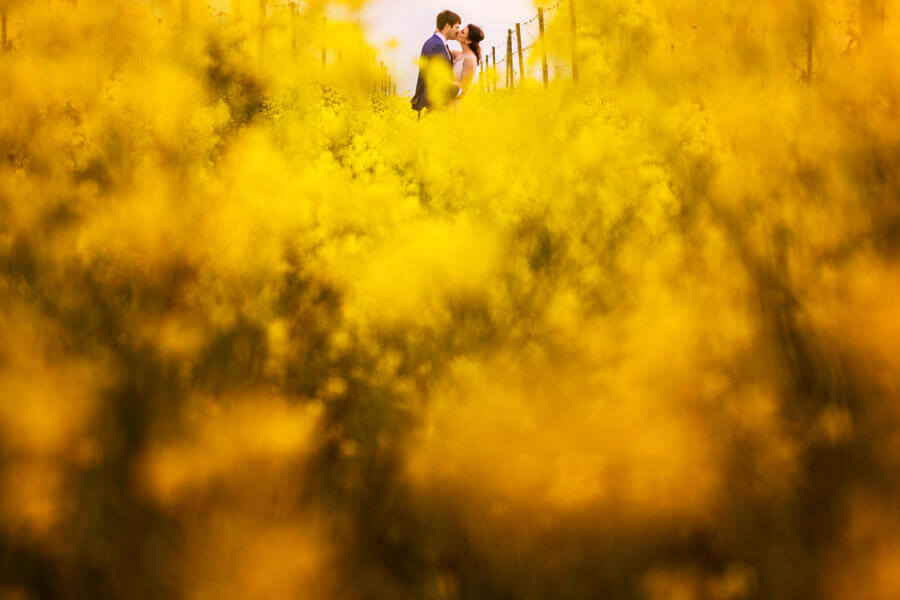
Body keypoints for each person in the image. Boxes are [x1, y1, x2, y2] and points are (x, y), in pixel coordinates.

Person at [411, 10, 462, 115]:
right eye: (457, 27)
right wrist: (460, 89)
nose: (458, 31)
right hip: (431, 105)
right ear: (448, 26)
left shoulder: (435, 43)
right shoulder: (437, 45)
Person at [451, 24, 484, 98]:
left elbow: (463, 88)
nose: (458, 31)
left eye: (462, 32)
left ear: (469, 40)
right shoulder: (459, 54)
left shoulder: (470, 59)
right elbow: (442, 50)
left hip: (460, 105)